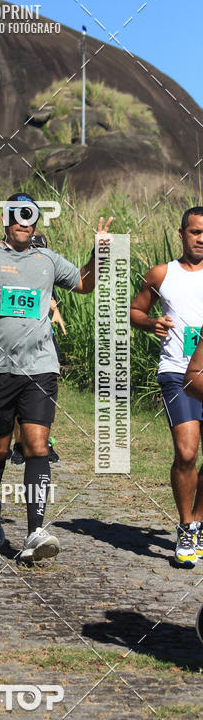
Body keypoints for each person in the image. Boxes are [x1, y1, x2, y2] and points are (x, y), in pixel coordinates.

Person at [0, 193, 112, 561]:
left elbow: (84, 283)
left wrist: (99, 253)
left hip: (39, 367)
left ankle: (35, 530)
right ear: (5, 218)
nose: (23, 222)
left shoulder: (47, 259)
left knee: (36, 445)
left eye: (30, 217)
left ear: (36, 223)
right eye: (17, 215)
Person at [132, 206, 203, 568]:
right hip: (178, 373)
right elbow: (136, 311)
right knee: (187, 453)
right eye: (195, 232)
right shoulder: (162, 274)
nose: (201, 238)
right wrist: (151, 323)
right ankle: (186, 525)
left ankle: (200, 520)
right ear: (181, 233)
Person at [10, 232, 65, 466]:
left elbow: (51, 299)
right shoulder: (12, 271)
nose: (36, 252)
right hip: (15, 340)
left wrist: (56, 311)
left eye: (40, 248)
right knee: (15, 393)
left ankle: (43, 441)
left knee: (46, 387)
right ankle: (20, 444)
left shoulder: (47, 271)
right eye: (33, 247)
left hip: (44, 339)